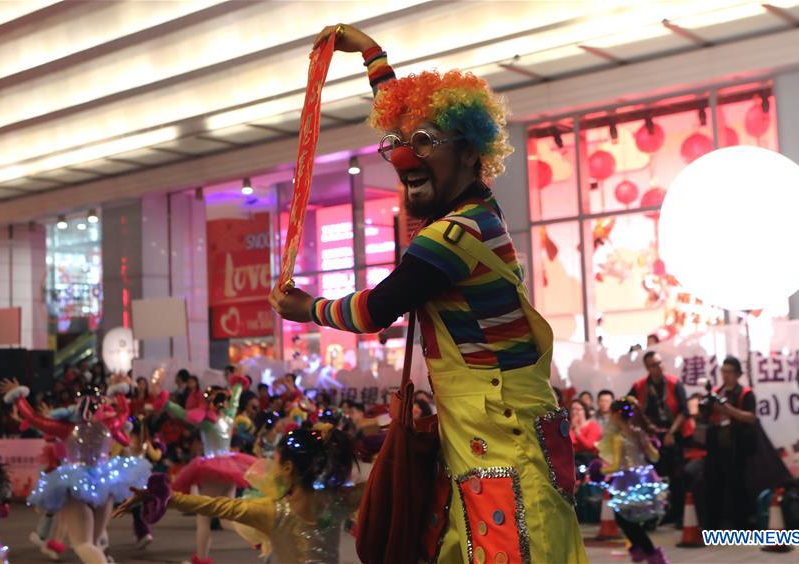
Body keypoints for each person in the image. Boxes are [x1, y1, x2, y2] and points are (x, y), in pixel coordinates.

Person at [268, 23, 586, 563]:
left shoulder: (455, 236)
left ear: (469, 153)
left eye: (423, 144)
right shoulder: (476, 211)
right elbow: (408, 123)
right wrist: (371, 54)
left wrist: (307, 308)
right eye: (396, 145)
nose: (402, 158)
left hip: (501, 439)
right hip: (482, 434)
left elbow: (376, 309)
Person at [114, 426, 361, 563]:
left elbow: (217, 506)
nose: (269, 467)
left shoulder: (273, 511)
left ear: (288, 468)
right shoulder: (337, 501)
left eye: (274, 461)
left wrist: (164, 496)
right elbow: (378, 486)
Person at [0, 376, 149, 563]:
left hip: (76, 483)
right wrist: (118, 393)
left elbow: (33, 418)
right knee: (93, 544)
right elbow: (124, 411)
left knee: (83, 544)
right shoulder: (108, 426)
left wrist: (18, 397)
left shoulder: (65, 428)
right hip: (105, 482)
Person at [150, 373, 257, 564]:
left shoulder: (208, 423)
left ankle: (201, 559)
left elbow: (182, 414)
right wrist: (238, 385)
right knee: (225, 519)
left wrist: (164, 402)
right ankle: (256, 537)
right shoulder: (229, 418)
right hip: (230, 468)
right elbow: (235, 402)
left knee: (204, 519)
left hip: (211, 472)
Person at [596, 397, 668, 564]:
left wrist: (598, 470)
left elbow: (616, 466)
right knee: (632, 519)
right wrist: (651, 445)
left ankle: (649, 552)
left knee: (624, 519)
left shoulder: (618, 438)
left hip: (627, 481)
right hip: (645, 478)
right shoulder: (639, 433)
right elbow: (655, 457)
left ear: (615, 415)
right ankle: (642, 550)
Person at [628, 351, 691, 525]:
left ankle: (679, 514)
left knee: (677, 476)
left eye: (660, 363)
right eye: (654, 365)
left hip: (673, 433)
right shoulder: (639, 386)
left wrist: (671, 433)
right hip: (650, 437)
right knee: (654, 475)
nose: (659, 367)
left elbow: (684, 411)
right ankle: (656, 513)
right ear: (647, 368)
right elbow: (628, 408)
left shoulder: (674, 383)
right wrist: (637, 429)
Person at [701, 357, 758, 529]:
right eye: (723, 371)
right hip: (716, 444)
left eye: (729, 372)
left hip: (737, 445)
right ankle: (714, 525)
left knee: (737, 485)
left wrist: (727, 409)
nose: (725, 375)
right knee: (713, 484)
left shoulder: (745, 393)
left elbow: (750, 417)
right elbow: (705, 415)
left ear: (738, 374)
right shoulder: (717, 392)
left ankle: (739, 524)